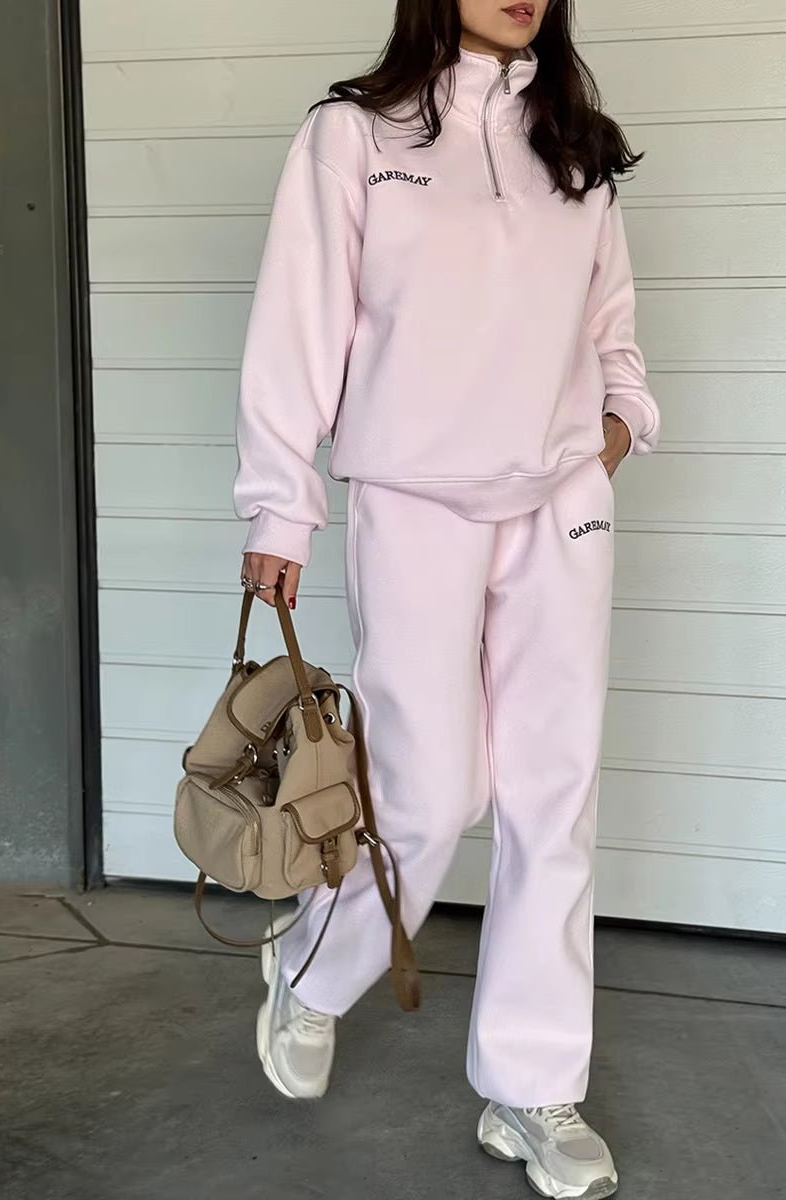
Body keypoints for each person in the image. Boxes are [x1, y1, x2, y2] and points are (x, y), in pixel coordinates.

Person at [233, 1, 659, 1195]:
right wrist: (280, 507)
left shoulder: (574, 146)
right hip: (414, 497)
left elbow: (613, 328)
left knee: (551, 800)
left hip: (558, 506)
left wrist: (617, 431)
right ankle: (311, 970)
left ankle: (532, 1087)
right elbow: (299, 327)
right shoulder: (355, 135)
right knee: (428, 793)